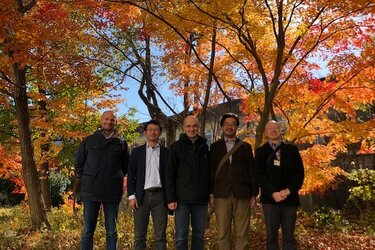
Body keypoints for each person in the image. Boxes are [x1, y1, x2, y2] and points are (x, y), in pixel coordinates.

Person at [75, 110, 129, 250]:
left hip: (112, 192)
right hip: (90, 191)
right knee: (87, 230)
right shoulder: (88, 141)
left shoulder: (121, 143)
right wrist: (87, 179)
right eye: (106, 119)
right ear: (101, 120)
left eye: (112, 120)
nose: (109, 122)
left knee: (111, 231)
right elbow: (79, 164)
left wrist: (115, 178)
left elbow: (125, 166)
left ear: (115, 122)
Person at [209, 113, 258, 250]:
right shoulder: (214, 147)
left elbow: (251, 171)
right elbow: (211, 171)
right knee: (223, 234)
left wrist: (254, 193)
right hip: (221, 194)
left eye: (232, 124)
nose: (229, 127)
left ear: (237, 126)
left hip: (242, 194)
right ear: (222, 127)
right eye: (226, 124)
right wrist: (211, 193)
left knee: (242, 234)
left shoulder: (245, 147)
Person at [255, 120, 304, 250]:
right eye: (269, 128)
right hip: (270, 200)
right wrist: (273, 193)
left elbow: (299, 174)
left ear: (280, 130)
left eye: (275, 127)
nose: (273, 130)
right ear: (265, 133)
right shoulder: (260, 151)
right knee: (271, 236)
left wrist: (288, 191)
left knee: (289, 236)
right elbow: (259, 176)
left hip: (290, 199)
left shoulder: (292, 150)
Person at [165, 115, 210, 250]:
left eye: (194, 126)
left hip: (201, 200)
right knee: (181, 236)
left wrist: (210, 194)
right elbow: (169, 174)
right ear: (184, 128)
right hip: (181, 200)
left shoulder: (205, 147)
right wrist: (171, 198)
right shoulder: (175, 147)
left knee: (198, 235)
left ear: (199, 127)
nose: (192, 129)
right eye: (189, 126)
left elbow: (209, 174)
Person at [127, 120, 169, 250]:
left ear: (160, 133)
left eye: (156, 129)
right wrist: (131, 196)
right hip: (141, 196)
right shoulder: (137, 152)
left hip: (160, 197)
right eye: (150, 129)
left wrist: (171, 198)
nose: (153, 132)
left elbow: (170, 176)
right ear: (145, 132)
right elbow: (131, 175)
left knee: (160, 236)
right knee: (139, 236)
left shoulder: (166, 152)